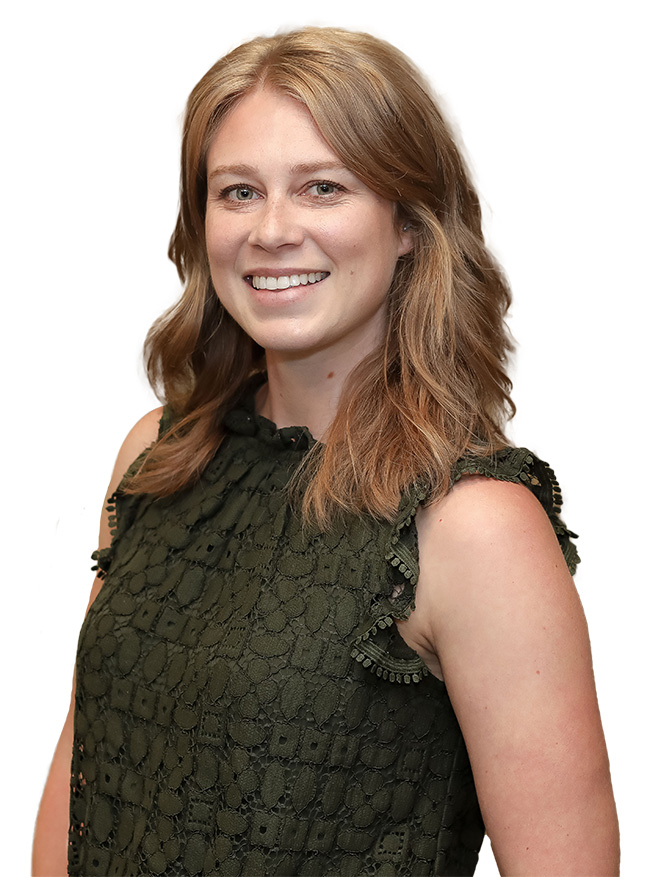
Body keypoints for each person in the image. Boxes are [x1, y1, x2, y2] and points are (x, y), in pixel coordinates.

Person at [33, 26, 618, 877]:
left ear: (410, 222)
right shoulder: (159, 456)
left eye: (322, 187)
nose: (271, 230)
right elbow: (84, 771)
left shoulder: (471, 523)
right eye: (237, 191)